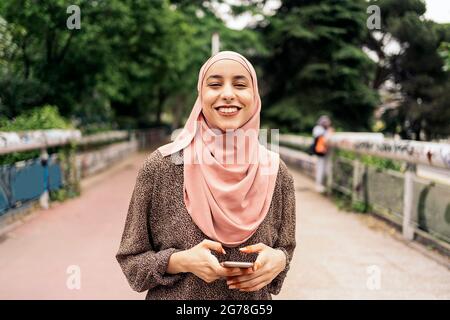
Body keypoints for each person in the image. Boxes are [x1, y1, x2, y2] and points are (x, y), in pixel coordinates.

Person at [116, 51, 296, 300]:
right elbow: (131, 262)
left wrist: (279, 260)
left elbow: (285, 250)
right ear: (201, 96)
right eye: (215, 84)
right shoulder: (162, 166)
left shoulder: (277, 172)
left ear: (254, 97)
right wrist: (180, 261)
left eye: (241, 85)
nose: (228, 94)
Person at [312, 115, 334, 193]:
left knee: (322, 168)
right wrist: (329, 131)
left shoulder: (321, 129)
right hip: (320, 152)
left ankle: (321, 184)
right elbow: (324, 138)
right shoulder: (319, 129)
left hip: (323, 152)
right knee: (320, 168)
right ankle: (319, 185)